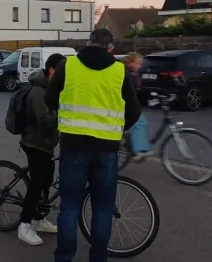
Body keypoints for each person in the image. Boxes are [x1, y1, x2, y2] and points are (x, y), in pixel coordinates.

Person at [45, 28, 141, 262]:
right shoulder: (119, 71)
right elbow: (135, 111)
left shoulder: (68, 66)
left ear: (88, 43)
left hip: (73, 147)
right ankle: (98, 257)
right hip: (106, 150)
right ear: (111, 48)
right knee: (102, 209)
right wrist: (116, 129)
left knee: (69, 207)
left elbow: (49, 99)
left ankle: (64, 257)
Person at [18, 53, 66, 246]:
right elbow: (45, 122)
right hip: (34, 143)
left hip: (46, 144)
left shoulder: (51, 88)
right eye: (62, 71)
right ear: (52, 70)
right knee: (37, 182)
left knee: (47, 180)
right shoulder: (38, 91)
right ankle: (24, 225)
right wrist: (65, 112)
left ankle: (38, 220)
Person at [122, 52, 153, 162]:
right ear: (130, 63)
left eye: (140, 64)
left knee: (141, 121)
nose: (139, 66)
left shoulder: (135, 75)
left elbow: (140, 90)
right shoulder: (125, 73)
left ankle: (137, 146)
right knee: (138, 121)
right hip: (123, 105)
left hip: (129, 105)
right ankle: (138, 150)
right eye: (137, 63)